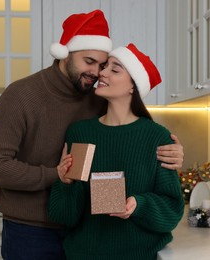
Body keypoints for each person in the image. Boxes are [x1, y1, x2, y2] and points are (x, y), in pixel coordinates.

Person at [0, 10, 184, 260]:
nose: (98, 73)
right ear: (66, 54)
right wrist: (58, 175)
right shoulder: (22, 95)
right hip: (30, 230)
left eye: (104, 65)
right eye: (89, 61)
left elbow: (131, 133)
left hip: (85, 234)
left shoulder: (97, 100)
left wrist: (173, 153)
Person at [48, 43, 185, 260]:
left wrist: (138, 205)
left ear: (133, 86)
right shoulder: (81, 133)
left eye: (115, 69)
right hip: (84, 255)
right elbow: (64, 216)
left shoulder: (156, 137)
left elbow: (171, 213)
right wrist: (66, 183)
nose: (101, 72)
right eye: (105, 67)